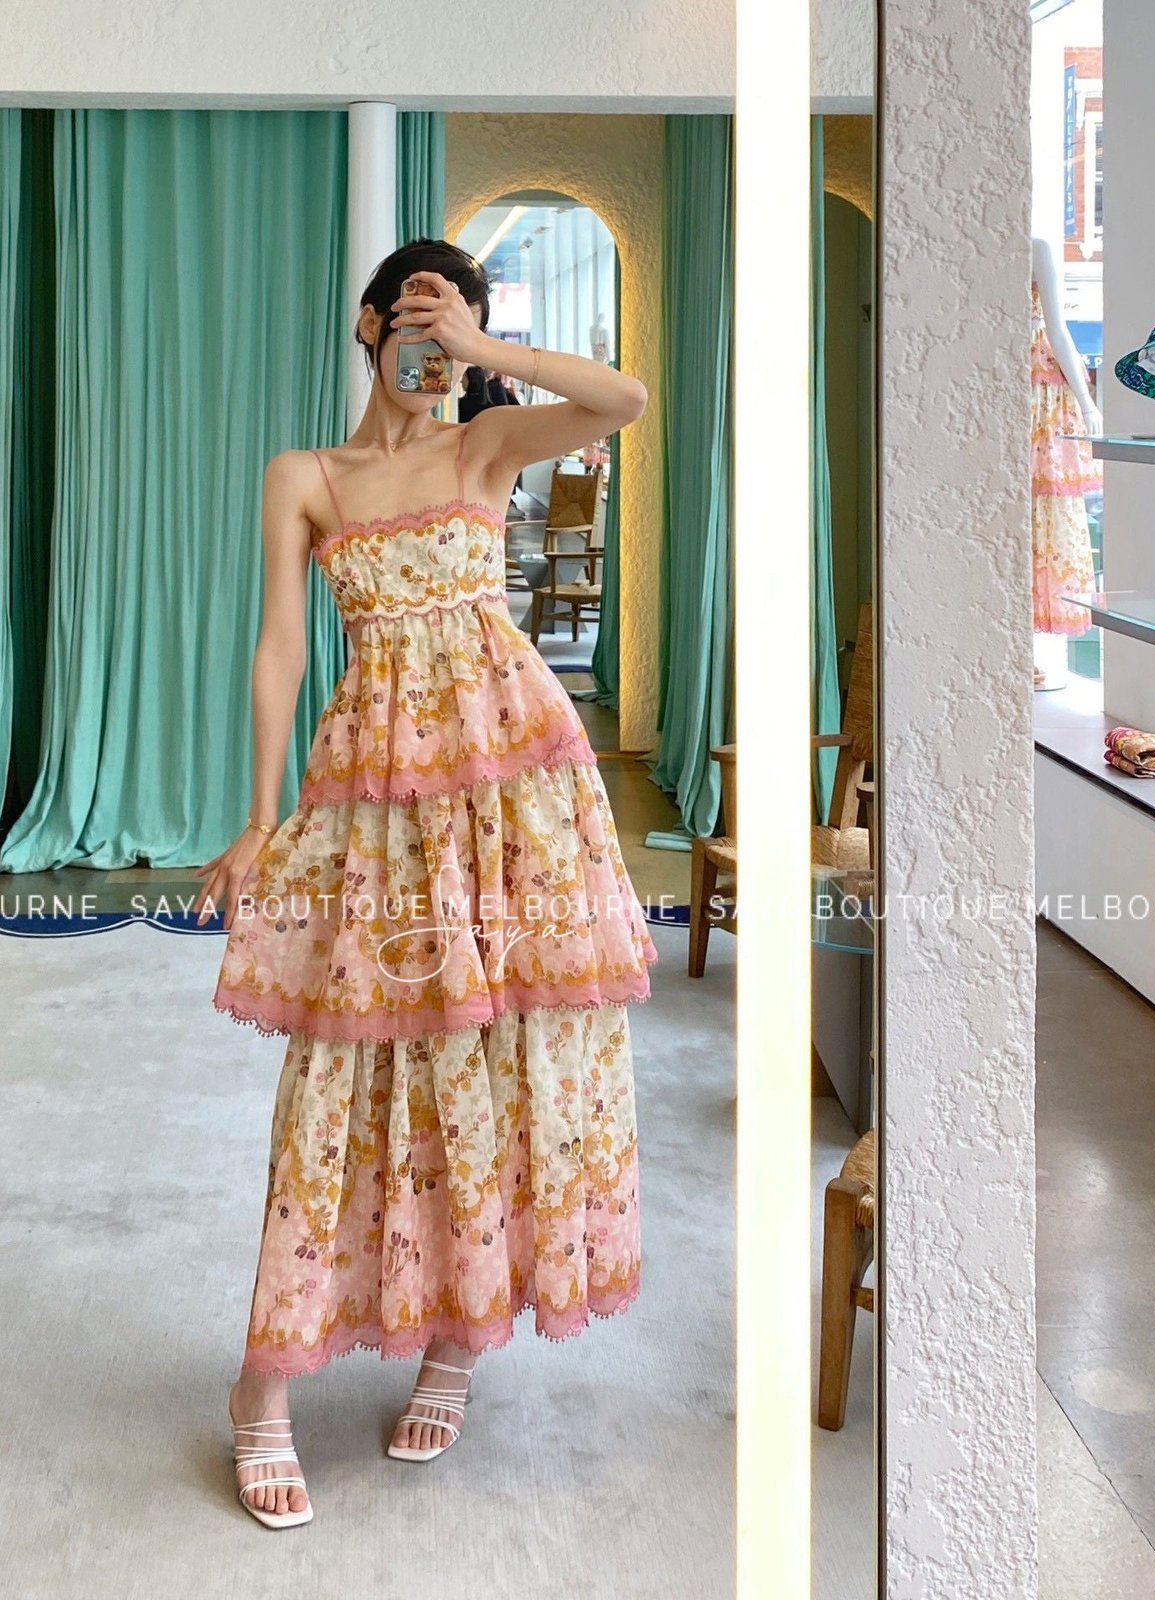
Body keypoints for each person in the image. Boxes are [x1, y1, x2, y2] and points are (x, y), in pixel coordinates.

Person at [195, 238, 658, 1530]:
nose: (429, 342)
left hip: (517, 790)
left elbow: (623, 400)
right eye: (411, 316)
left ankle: (456, 1346)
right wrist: (258, 816)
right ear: (367, 325)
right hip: (380, 787)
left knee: (508, 1059)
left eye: (450, 320)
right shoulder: (307, 475)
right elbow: (280, 647)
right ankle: (262, 1389)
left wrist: (485, 351)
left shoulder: (485, 448)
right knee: (346, 1069)